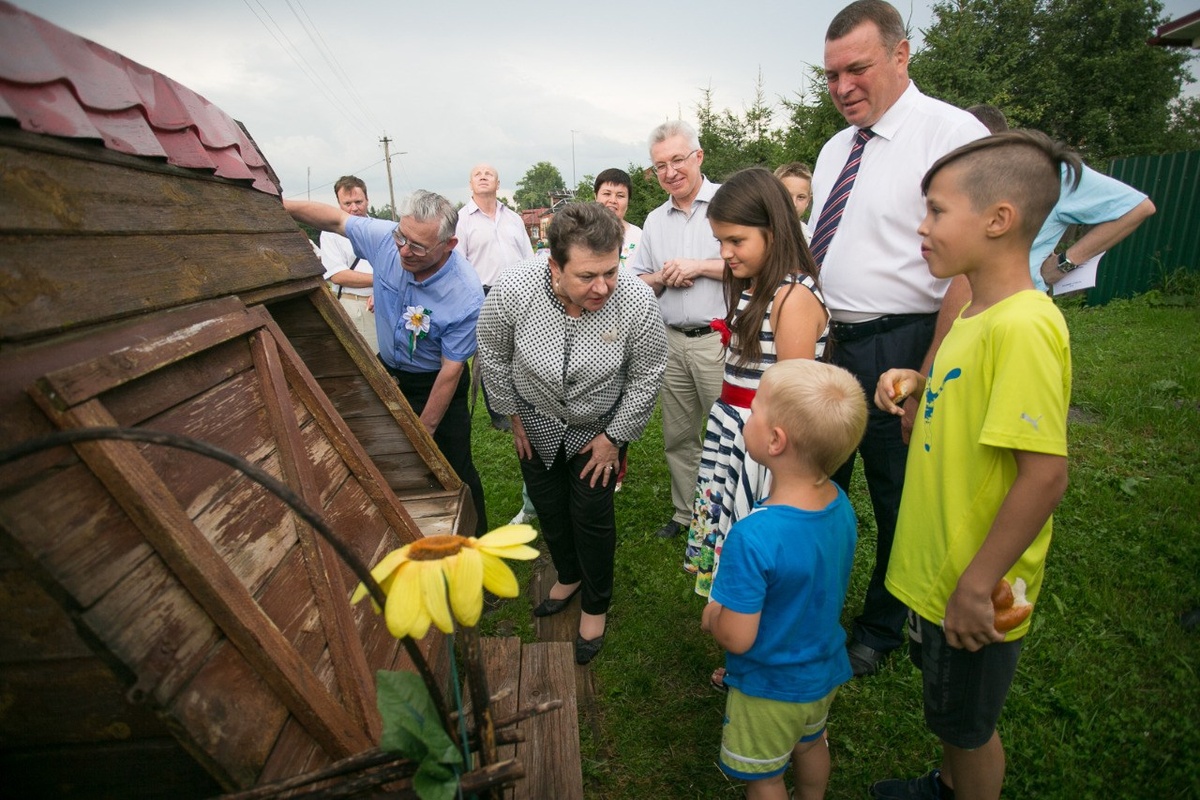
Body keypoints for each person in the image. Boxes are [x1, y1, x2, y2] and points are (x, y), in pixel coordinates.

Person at [869, 130, 1077, 800]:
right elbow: (971, 397)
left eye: (935, 210)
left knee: (969, 725)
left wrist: (973, 584)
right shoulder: (977, 313)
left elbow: (1044, 474)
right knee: (949, 708)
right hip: (944, 570)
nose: (921, 227)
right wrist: (918, 384)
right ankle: (946, 785)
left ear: (998, 220)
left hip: (975, 584)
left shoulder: (1022, 327)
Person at [809, 0, 988, 677]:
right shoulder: (832, 150)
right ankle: (815, 610)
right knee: (820, 484)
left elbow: (968, 270)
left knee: (897, 497)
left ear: (901, 54)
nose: (843, 87)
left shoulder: (949, 132)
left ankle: (882, 625)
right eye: (830, 75)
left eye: (857, 68)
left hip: (903, 345)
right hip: (833, 344)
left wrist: (928, 371)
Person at [477, 202, 667, 665]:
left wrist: (614, 437)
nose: (602, 287)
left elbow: (648, 373)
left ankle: (596, 604)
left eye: (610, 271)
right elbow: (492, 352)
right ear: (555, 266)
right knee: (550, 507)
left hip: (597, 431)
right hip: (534, 422)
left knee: (592, 515)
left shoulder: (637, 301)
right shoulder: (512, 288)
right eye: (586, 276)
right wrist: (512, 416)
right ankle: (568, 574)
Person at [701, 359, 867, 800]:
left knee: (766, 776)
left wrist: (713, 613)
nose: (748, 416)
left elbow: (736, 637)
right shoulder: (840, 504)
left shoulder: (753, 535)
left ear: (775, 441)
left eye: (754, 410)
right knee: (811, 743)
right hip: (821, 670)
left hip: (770, 685)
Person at [284, 190, 488, 534]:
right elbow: (335, 219)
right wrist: (276, 205)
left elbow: (450, 371)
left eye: (419, 247)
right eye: (402, 238)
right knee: (382, 458)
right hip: (387, 372)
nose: (404, 251)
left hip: (434, 382)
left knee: (454, 468)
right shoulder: (386, 239)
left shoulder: (465, 295)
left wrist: (423, 432)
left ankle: (477, 549)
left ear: (448, 245)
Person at [686, 167, 830, 597]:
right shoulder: (756, 289)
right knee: (732, 531)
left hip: (768, 442)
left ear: (774, 230)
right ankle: (735, 620)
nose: (726, 253)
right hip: (736, 433)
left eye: (736, 241)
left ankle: (756, 634)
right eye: (720, 242)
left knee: (760, 539)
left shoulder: (794, 297)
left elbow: (794, 393)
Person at [631, 120, 727, 541]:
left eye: (677, 160)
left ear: (699, 157)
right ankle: (688, 514)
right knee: (679, 435)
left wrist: (698, 266)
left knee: (729, 433)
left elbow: (756, 264)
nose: (669, 172)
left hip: (719, 341)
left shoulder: (730, 202)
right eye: (660, 166)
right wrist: (663, 277)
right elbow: (638, 281)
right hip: (671, 342)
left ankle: (730, 518)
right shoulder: (654, 220)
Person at [966, 105, 1157, 293]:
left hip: (1015, 302)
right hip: (958, 303)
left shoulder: (1053, 174)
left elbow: (1138, 208)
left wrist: (1063, 264)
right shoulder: (962, 176)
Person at [456, 162, 536, 432]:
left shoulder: (513, 218)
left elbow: (529, 258)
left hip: (518, 293)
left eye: (488, 174)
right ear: (470, 185)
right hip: (482, 294)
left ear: (498, 184)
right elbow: (458, 264)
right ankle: (500, 414)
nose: (482, 177)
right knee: (491, 356)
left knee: (522, 352)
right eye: (477, 174)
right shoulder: (462, 220)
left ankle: (526, 405)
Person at [593, 167, 643, 491]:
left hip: (626, 330)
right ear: (595, 196)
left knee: (623, 397)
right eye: (607, 193)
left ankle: (617, 465)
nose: (613, 200)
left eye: (620, 195)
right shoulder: (581, 234)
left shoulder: (639, 236)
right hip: (589, 328)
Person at [320, 176, 378, 353]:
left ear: (367, 200)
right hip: (355, 306)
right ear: (339, 204)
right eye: (347, 203)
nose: (354, 208)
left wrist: (381, 290)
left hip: (385, 303)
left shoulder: (381, 228)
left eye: (358, 201)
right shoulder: (330, 234)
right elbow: (339, 276)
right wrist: (381, 281)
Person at [773, 162, 814, 241]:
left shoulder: (809, 239)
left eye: (801, 197)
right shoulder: (758, 233)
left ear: (808, 201)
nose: (793, 204)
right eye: (787, 195)